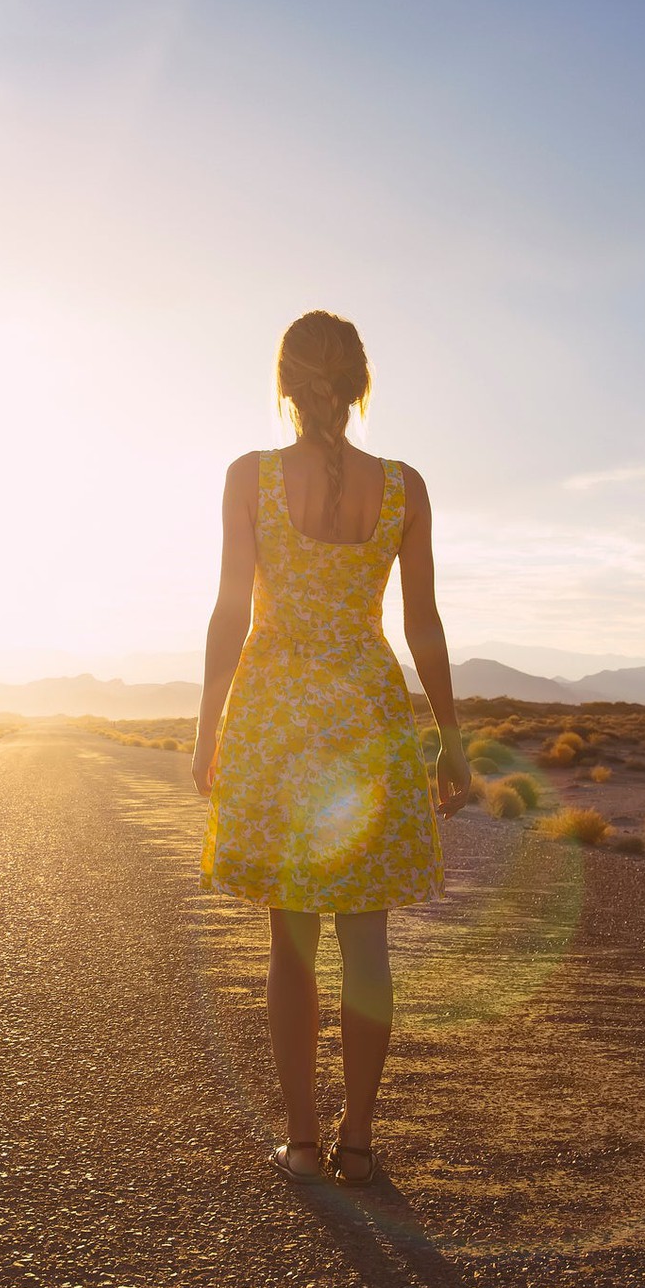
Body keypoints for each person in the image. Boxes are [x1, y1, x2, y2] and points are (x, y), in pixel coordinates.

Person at [191, 309, 471, 1188]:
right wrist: (450, 740)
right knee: (368, 943)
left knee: (291, 946)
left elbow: (231, 611)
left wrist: (208, 728)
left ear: (285, 384)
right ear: (359, 385)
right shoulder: (405, 486)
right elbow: (421, 623)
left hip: (278, 720)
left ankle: (303, 1142)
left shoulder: (249, 477)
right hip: (371, 720)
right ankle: (360, 1141)